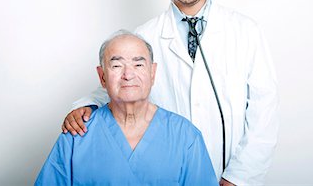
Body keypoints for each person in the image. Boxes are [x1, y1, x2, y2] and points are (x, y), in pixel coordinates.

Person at [62, 0, 279, 186]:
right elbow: (121, 85)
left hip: (230, 176)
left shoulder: (245, 32)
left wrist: (239, 177)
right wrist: (85, 106)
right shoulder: (145, 37)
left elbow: (264, 112)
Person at [35, 30, 218, 185]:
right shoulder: (77, 136)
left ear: (152, 73)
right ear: (102, 77)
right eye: (116, 65)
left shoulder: (185, 136)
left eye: (138, 64)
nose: (128, 74)